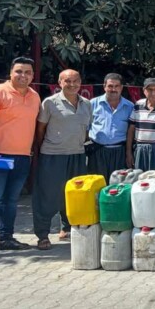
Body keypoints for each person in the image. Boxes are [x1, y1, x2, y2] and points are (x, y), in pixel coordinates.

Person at [0, 57, 40, 262]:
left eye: (28, 72)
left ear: (32, 75)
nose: (23, 76)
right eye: (19, 71)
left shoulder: (34, 96)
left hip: (22, 156)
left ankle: (6, 238)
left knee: (11, 201)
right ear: (11, 73)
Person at [32, 69, 92, 250]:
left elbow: (86, 130)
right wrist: (46, 147)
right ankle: (42, 235)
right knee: (48, 196)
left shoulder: (87, 104)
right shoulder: (50, 103)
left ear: (80, 82)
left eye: (75, 81)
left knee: (74, 193)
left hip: (77, 154)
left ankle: (67, 227)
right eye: (67, 81)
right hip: (53, 155)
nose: (72, 84)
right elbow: (40, 129)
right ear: (60, 82)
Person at [88, 73, 134, 181]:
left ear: (121, 88)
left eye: (116, 86)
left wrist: (128, 153)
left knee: (117, 186)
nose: (113, 89)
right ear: (104, 86)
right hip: (97, 152)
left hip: (120, 153)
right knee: (97, 184)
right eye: (110, 86)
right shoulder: (92, 104)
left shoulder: (130, 106)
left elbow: (130, 132)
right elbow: (85, 127)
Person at [126, 78, 155, 170]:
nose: (153, 92)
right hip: (139, 149)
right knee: (139, 178)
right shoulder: (138, 105)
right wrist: (128, 152)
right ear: (144, 91)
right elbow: (131, 129)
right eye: (150, 89)